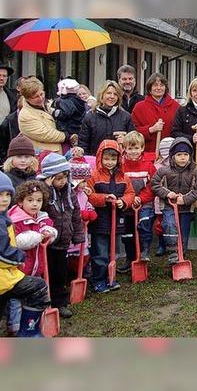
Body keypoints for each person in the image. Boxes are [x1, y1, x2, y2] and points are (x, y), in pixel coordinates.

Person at [0, 172, 51, 337]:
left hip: (7, 275)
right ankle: (28, 333)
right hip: (5, 277)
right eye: (0, 195)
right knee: (38, 288)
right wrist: (19, 257)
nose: (5, 199)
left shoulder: (4, 217)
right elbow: (3, 254)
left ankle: (28, 332)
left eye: (8, 194)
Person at [37, 153, 84, 319]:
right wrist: (47, 188)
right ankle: (43, 302)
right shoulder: (43, 194)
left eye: (65, 176)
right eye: (58, 178)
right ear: (49, 178)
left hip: (62, 242)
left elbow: (76, 214)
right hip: (46, 243)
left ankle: (60, 302)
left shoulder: (69, 192)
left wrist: (78, 234)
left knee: (60, 273)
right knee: (45, 272)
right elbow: (39, 208)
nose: (62, 181)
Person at [87, 140, 135, 293]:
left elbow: (130, 193)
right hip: (99, 221)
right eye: (106, 159)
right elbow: (88, 196)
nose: (110, 162)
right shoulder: (93, 175)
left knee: (112, 252)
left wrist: (124, 202)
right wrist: (103, 199)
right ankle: (99, 280)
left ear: (118, 159)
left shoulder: (123, 177)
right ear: (100, 158)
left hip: (116, 220)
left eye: (113, 159)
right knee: (100, 252)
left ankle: (111, 278)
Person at [151, 137, 197, 264]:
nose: (183, 158)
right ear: (172, 156)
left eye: (186, 155)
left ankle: (182, 253)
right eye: (179, 155)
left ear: (190, 156)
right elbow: (155, 185)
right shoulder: (164, 171)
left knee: (184, 232)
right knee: (169, 226)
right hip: (169, 206)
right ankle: (172, 251)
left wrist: (184, 199)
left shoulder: (194, 173)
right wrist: (168, 194)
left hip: (186, 208)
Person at [119, 131, 156, 271]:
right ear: (124, 149)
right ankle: (130, 257)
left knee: (145, 225)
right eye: (130, 148)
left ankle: (145, 251)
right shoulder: (121, 167)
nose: (133, 151)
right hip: (127, 204)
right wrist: (129, 199)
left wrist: (141, 198)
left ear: (142, 148)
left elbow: (152, 186)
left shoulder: (148, 166)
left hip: (144, 203)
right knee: (127, 232)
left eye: (136, 148)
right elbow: (120, 185)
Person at [78, 80, 136, 156]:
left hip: (119, 162)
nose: (112, 96)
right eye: (108, 93)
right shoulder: (90, 116)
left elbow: (134, 143)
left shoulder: (126, 117)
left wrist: (125, 141)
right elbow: (83, 143)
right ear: (102, 95)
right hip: (95, 161)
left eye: (115, 94)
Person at [18, 77, 70, 154]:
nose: (41, 98)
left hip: (56, 153)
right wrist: (66, 136)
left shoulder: (47, 105)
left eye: (42, 94)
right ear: (27, 98)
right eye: (36, 97)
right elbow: (46, 134)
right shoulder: (25, 115)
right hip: (42, 156)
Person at [132, 73, 181, 154]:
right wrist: (150, 129)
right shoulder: (139, 107)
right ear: (150, 88)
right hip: (148, 154)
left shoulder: (176, 106)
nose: (158, 88)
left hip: (171, 154)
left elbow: (180, 130)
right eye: (155, 85)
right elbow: (133, 132)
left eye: (161, 85)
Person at [51, 78, 86, 147]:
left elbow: (64, 114)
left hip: (66, 128)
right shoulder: (79, 100)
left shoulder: (63, 101)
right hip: (77, 127)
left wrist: (53, 112)